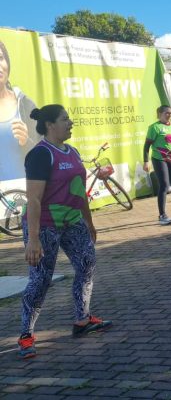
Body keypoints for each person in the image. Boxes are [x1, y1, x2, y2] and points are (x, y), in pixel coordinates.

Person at [17, 104, 112, 359]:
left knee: (87, 263)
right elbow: (34, 200)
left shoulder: (73, 152)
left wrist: (89, 224)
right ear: (50, 125)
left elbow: (80, 192)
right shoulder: (40, 155)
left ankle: (82, 320)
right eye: (65, 119)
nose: (70, 122)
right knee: (41, 279)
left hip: (73, 222)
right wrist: (33, 239)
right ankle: (26, 335)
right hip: (44, 225)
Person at [0, 40, 39, 182]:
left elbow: (44, 154)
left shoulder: (26, 105)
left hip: (26, 194)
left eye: (0, 58)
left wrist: (26, 142)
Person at [143, 105, 171, 225]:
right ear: (159, 114)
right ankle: (162, 215)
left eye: (170, 113)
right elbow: (146, 146)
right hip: (159, 159)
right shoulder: (154, 128)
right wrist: (146, 161)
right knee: (164, 185)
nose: (169, 115)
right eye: (166, 113)